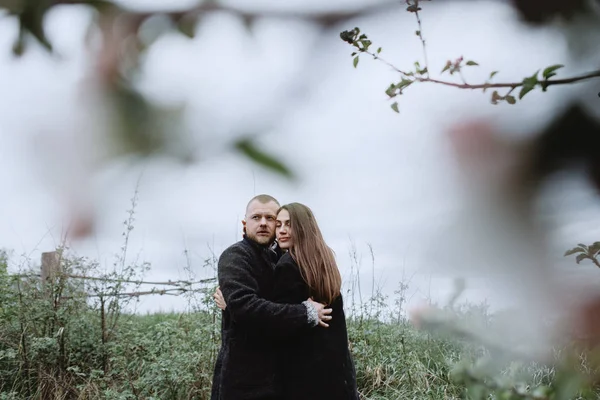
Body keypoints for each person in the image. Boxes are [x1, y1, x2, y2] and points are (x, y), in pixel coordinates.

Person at [215, 202, 359, 400]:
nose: (279, 229)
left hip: (305, 379)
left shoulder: (288, 264)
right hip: (334, 376)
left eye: (283, 223)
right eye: (257, 218)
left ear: (301, 227)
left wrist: (231, 307)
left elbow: (274, 327)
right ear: (244, 223)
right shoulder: (320, 261)